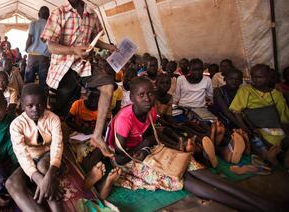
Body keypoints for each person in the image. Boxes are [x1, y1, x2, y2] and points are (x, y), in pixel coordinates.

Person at [109, 77, 278, 211]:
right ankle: (251, 206)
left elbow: (150, 138)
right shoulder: (125, 118)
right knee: (181, 175)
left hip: (145, 150)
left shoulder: (151, 111)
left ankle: (260, 202)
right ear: (131, 97)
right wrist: (145, 145)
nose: (147, 98)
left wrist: (146, 146)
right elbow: (120, 158)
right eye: (141, 95)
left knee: (190, 165)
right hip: (128, 159)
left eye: (150, 94)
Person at [41, 0, 117, 157]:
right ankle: (55, 149)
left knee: (108, 86)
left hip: (84, 66)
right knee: (60, 114)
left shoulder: (92, 14)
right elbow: (50, 45)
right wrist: (73, 50)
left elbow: (94, 38)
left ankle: (97, 136)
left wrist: (108, 47)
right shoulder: (58, 13)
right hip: (63, 70)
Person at [6, 84, 63, 212]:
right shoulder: (16, 125)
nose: (35, 109)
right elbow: (21, 154)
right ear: (21, 105)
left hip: (48, 156)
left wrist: (51, 173)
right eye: (30, 106)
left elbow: (57, 146)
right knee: (11, 183)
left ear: (45, 103)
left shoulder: (53, 119)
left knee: (43, 166)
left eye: (39, 105)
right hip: (31, 159)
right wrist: (41, 180)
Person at [230, 64, 289, 167]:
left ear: (268, 77)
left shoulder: (276, 95)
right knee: (263, 143)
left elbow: (283, 118)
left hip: (275, 128)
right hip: (255, 128)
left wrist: (287, 135)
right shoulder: (246, 90)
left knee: (282, 142)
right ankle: (275, 156)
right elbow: (236, 111)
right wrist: (246, 129)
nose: (257, 80)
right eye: (254, 77)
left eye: (260, 77)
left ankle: (277, 155)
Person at [25, 6, 51, 91]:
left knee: (29, 81)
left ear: (38, 14)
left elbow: (29, 38)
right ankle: (42, 101)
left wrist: (26, 48)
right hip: (44, 57)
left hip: (32, 56)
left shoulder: (33, 23)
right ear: (48, 15)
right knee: (43, 83)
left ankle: (27, 100)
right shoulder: (50, 25)